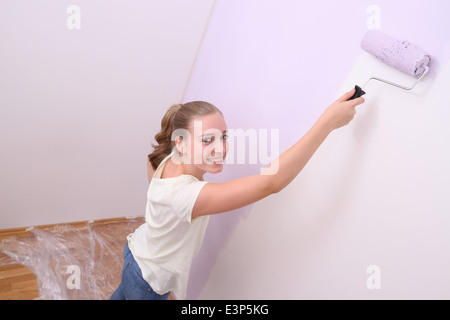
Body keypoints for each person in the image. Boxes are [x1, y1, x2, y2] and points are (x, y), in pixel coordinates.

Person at [110, 89, 365, 300]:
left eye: (223, 137)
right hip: (147, 282)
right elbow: (271, 182)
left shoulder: (164, 157)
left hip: (136, 253)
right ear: (181, 142)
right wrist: (327, 123)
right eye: (207, 140)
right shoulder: (185, 195)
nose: (220, 149)